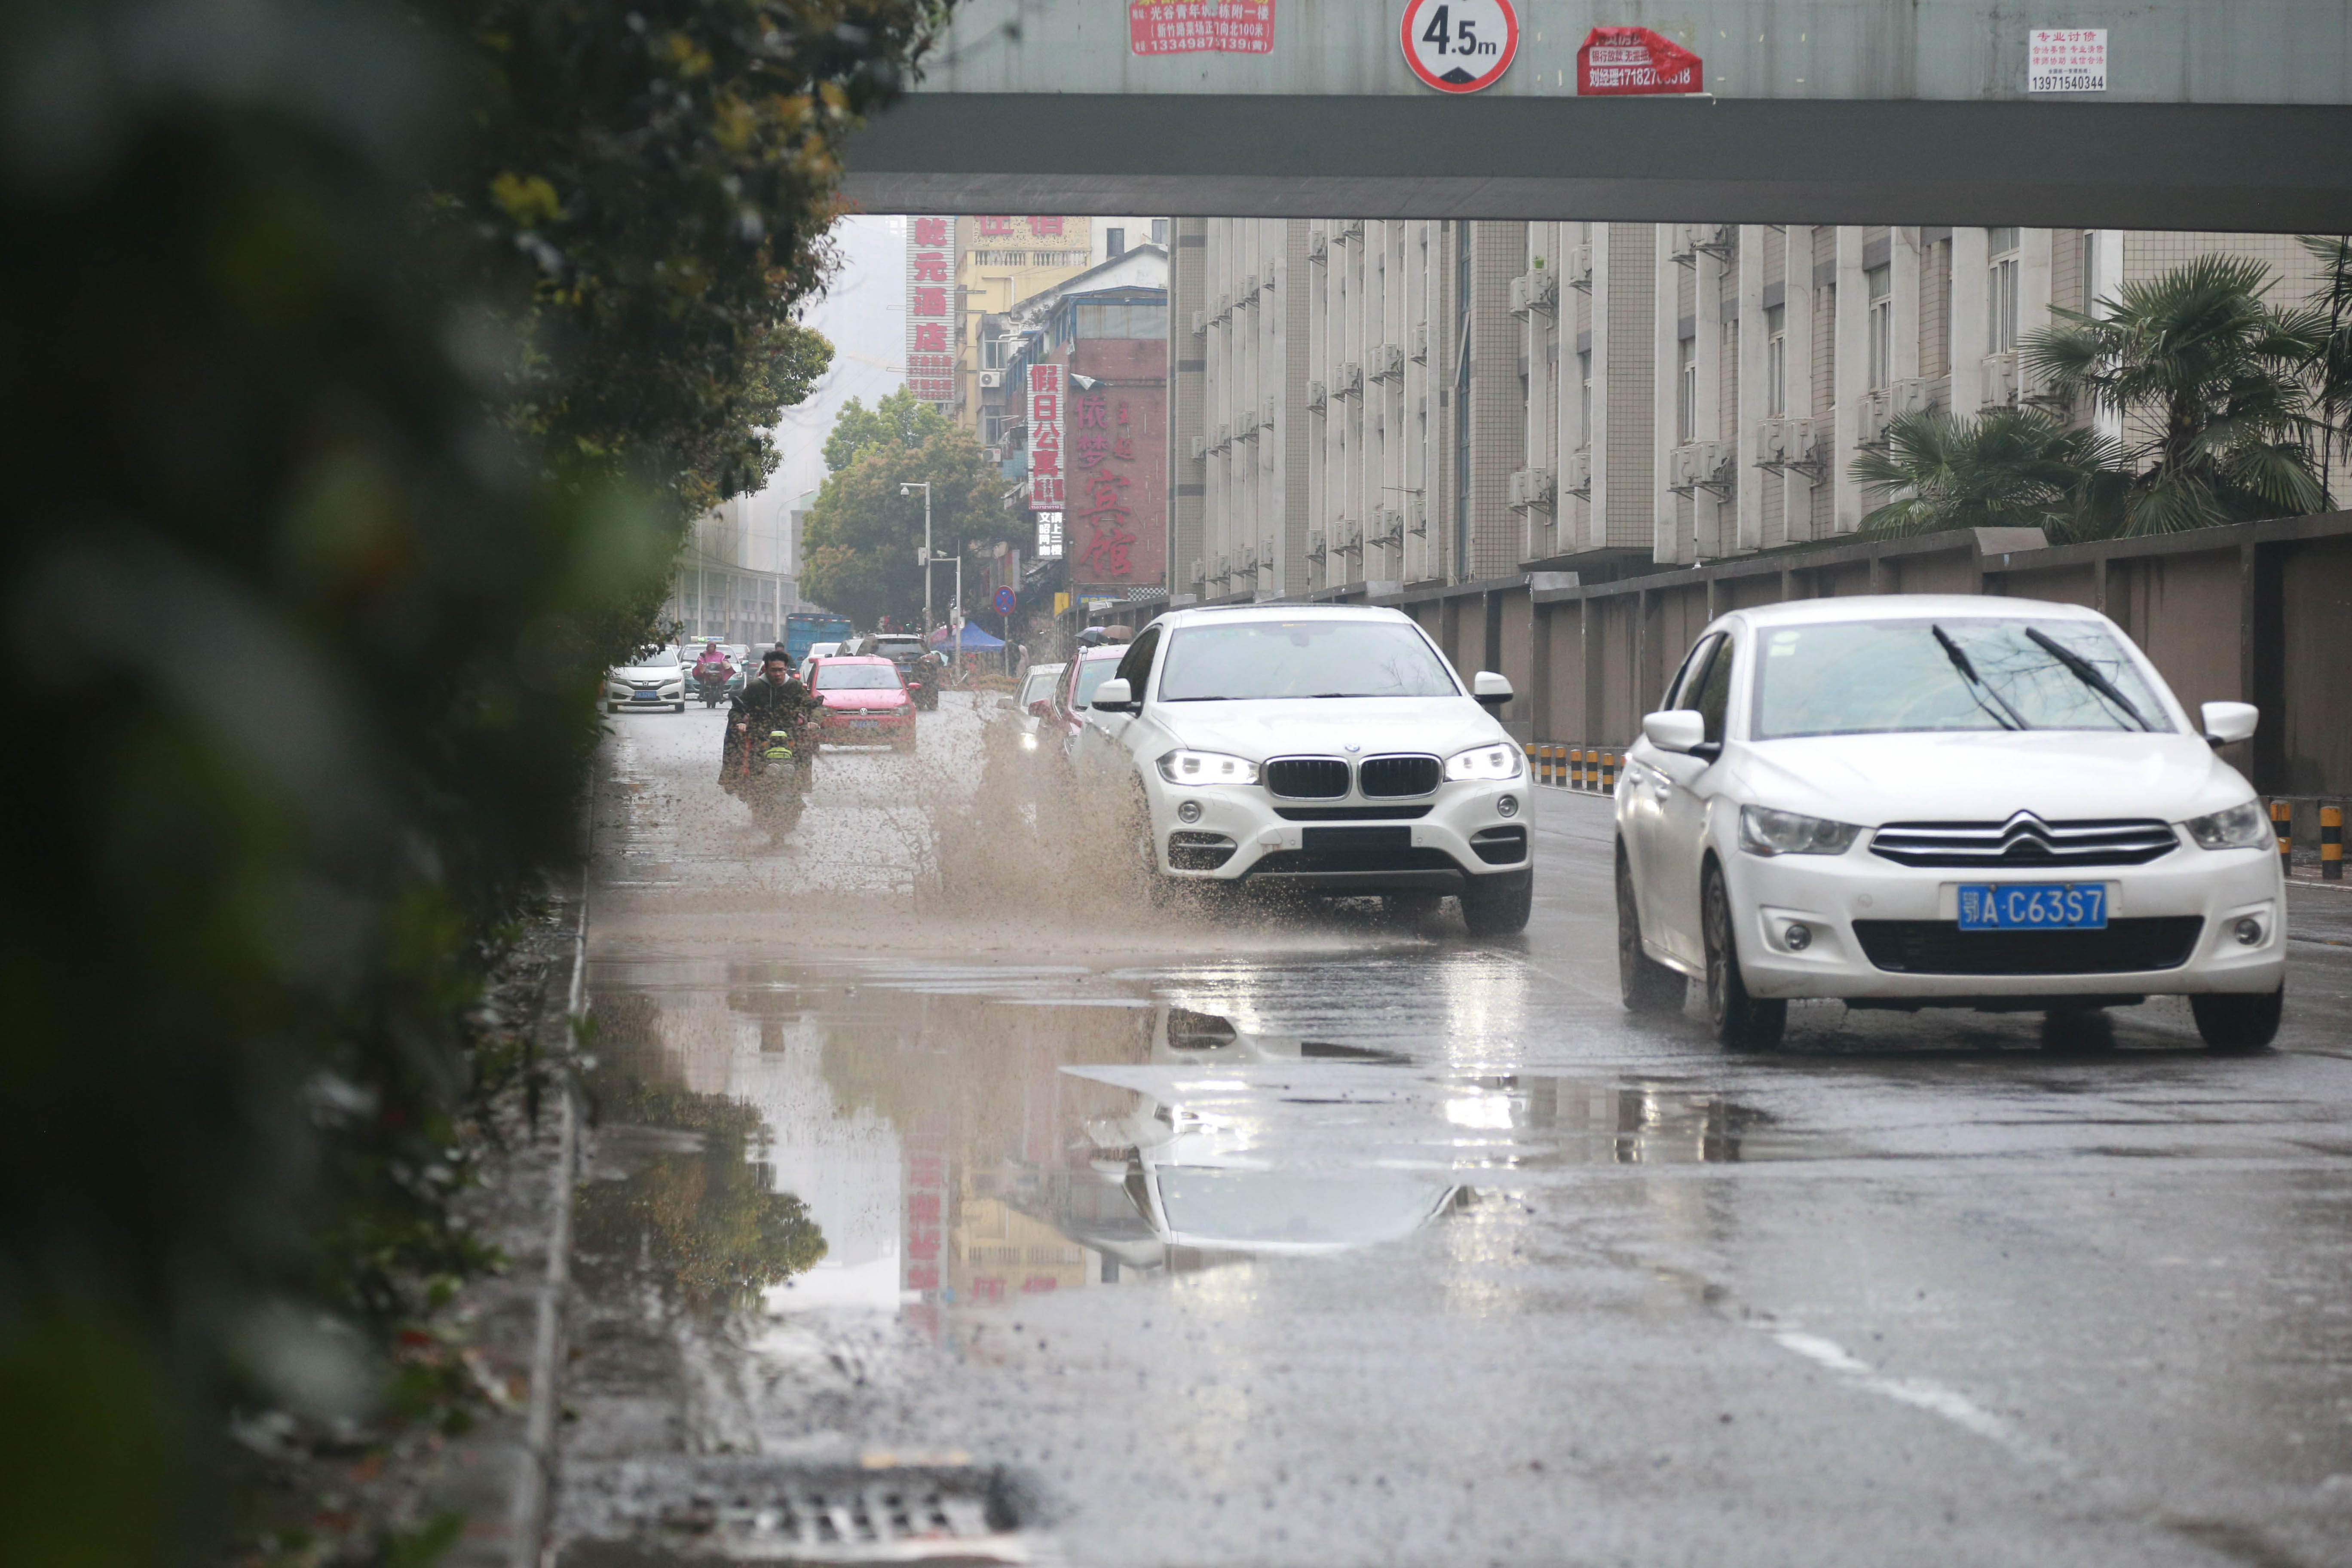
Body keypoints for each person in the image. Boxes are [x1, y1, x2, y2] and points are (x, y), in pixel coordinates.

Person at [723, 648, 817, 788]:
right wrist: (740, 722)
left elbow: (811, 706)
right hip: (759, 735)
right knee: (736, 744)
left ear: (786, 669)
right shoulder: (755, 687)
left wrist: (814, 720)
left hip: (791, 735)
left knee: (805, 748)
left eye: (781, 670)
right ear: (766, 669)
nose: (778, 674)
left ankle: (802, 785)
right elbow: (736, 710)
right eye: (774, 670)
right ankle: (734, 782)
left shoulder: (795, 686)